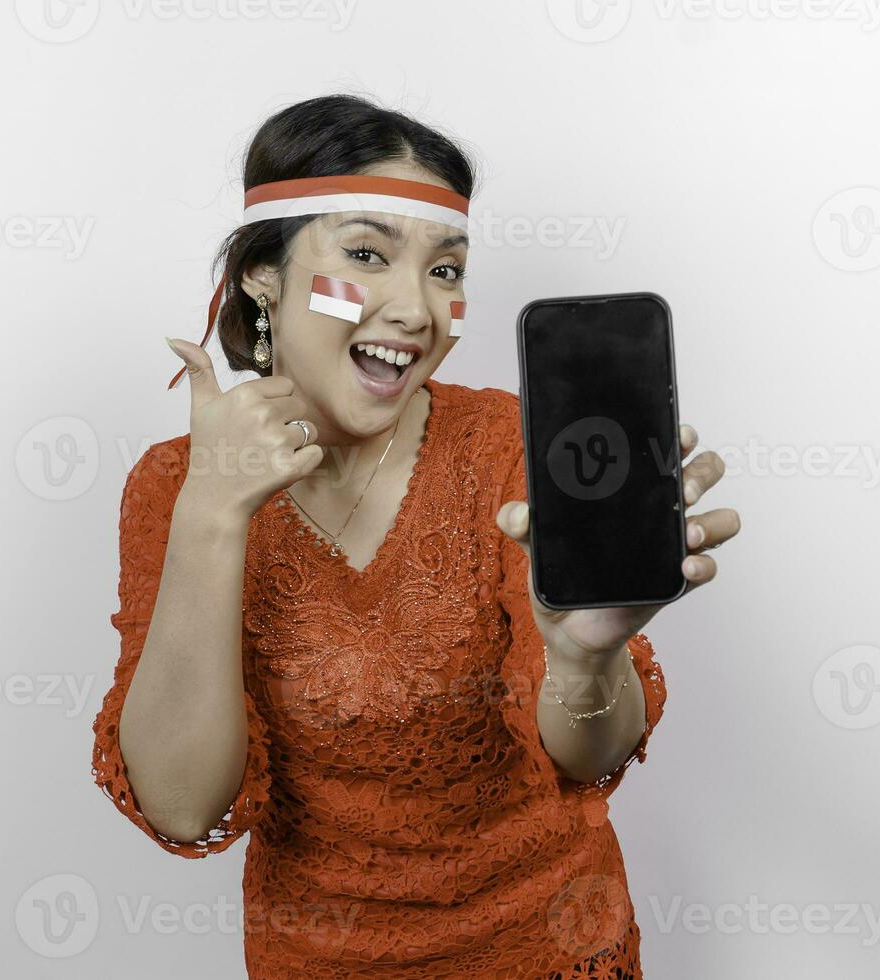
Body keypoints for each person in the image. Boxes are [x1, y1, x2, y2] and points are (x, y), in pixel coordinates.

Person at [91, 93, 740, 978]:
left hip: (550, 948)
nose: (418, 309)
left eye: (446, 270)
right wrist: (214, 512)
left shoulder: (509, 447)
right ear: (261, 276)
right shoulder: (172, 485)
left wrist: (588, 657)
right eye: (366, 255)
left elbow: (588, 757)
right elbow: (179, 805)